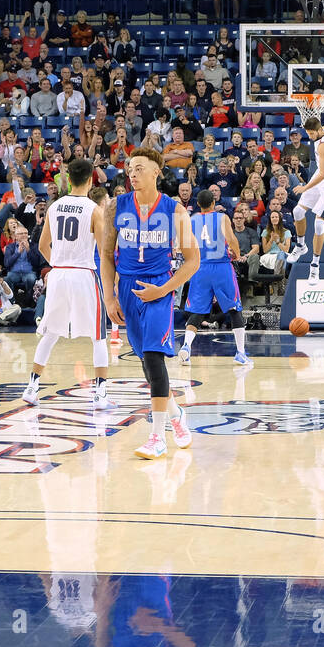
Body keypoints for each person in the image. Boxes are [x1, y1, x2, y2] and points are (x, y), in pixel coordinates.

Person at [101, 147, 199, 460]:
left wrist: (164, 290)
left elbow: (193, 260)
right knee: (146, 364)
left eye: (139, 168)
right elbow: (105, 255)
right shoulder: (115, 206)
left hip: (159, 285)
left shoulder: (174, 210)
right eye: (129, 169)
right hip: (127, 289)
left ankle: (157, 436)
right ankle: (175, 415)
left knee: (155, 359)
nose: (132, 174)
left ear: (156, 171)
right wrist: (109, 296)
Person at [23, 159, 113, 408]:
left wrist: (60, 263)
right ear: (90, 180)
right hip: (83, 273)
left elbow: (42, 246)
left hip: (59, 274)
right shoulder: (94, 209)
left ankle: (32, 386)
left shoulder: (55, 206)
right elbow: (105, 250)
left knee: (51, 333)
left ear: (69, 179)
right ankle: (100, 393)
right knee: (98, 336)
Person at [180, 189, 250, 367]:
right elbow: (231, 239)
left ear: (198, 205)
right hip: (221, 267)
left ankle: (186, 347)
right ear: (213, 203)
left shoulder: (192, 219)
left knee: (197, 311)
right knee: (234, 308)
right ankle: (240, 353)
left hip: (200, 267)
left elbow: (185, 245)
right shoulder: (222, 217)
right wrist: (237, 253)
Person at [286, 101, 324, 282]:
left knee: (319, 224)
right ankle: (301, 246)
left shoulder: (323, 146)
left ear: (318, 131)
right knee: (297, 211)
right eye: (308, 133)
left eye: (311, 133)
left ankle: (315, 266)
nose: (309, 136)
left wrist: (304, 187)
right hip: (321, 177)